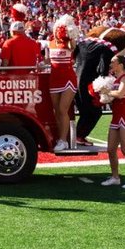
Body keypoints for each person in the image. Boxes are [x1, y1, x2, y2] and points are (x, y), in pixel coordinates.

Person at [100, 54, 125, 189]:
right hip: (116, 117)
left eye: (113, 62)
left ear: (121, 65)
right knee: (111, 149)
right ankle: (115, 177)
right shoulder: (116, 79)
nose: (111, 64)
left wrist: (106, 91)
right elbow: (113, 97)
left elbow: (120, 94)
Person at [47, 16, 79, 149]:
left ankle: (63, 140)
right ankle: (62, 139)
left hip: (68, 79)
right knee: (56, 111)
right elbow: (47, 61)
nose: (57, 31)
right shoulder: (50, 42)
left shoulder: (68, 42)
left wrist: (70, 34)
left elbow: (73, 47)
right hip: (54, 79)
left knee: (62, 109)